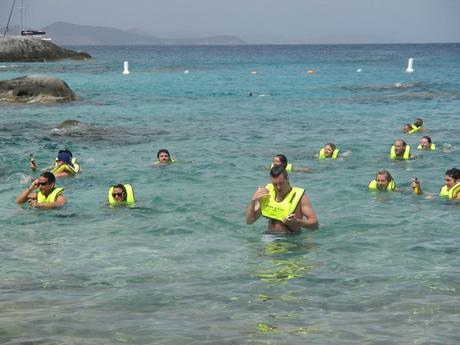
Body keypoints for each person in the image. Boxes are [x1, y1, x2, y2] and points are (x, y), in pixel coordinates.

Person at [245, 166, 318, 234]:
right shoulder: (267, 194)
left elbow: (315, 225)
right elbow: (249, 221)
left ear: (287, 179)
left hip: (291, 238)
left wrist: (297, 222)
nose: (278, 187)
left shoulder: (300, 197)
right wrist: (253, 201)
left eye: (281, 183)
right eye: (275, 184)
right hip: (269, 236)